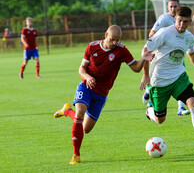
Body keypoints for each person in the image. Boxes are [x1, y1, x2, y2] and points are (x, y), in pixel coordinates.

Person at [53, 25, 154, 164]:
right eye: (112, 39)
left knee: (85, 129)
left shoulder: (121, 50)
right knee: (80, 114)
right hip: (86, 87)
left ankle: (66, 111)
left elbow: (136, 68)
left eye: (117, 40)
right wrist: (88, 77)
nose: (114, 43)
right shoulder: (92, 47)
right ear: (106, 34)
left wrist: (143, 59)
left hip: (102, 94)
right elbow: (81, 69)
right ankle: (76, 155)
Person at [140, 6, 194, 152]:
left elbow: (192, 53)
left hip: (179, 78)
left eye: (185, 22)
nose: (181, 25)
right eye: (179, 21)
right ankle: (149, 110)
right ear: (175, 19)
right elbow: (145, 50)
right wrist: (145, 75)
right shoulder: (164, 33)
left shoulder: (189, 37)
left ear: (190, 22)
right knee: (160, 120)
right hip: (159, 82)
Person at [142, 0, 190, 116]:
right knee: (160, 79)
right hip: (163, 56)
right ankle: (149, 93)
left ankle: (181, 108)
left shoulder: (182, 19)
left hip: (177, 55)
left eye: (175, 6)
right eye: (171, 6)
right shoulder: (164, 19)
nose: (173, 8)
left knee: (180, 80)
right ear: (168, 8)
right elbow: (151, 34)